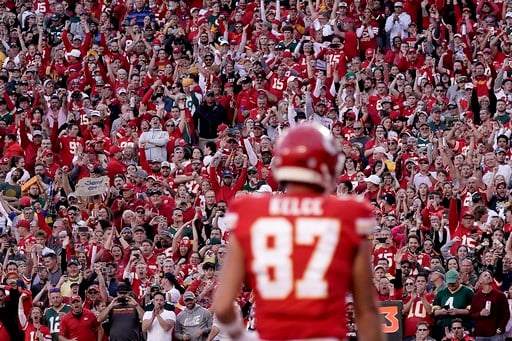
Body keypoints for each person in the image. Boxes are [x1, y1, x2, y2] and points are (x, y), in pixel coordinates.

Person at [213, 123, 384, 340]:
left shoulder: (251, 210)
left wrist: (241, 336)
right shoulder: (349, 213)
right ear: (330, 166)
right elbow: (366, 310)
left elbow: (222, 306)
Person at [469, 270, 509, 339]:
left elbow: (506, 313)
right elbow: (471, 315)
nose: (488, 276)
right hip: (481, 334)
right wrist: (480, 313)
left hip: (496, 334)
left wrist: (501, 328)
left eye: (489, 275)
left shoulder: (500, 295)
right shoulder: (476, 296)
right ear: (480, 281)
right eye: (485, 275)